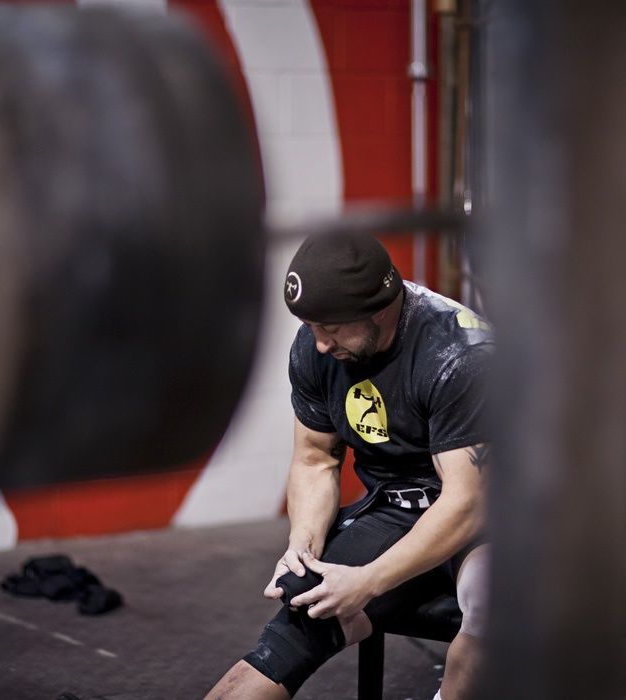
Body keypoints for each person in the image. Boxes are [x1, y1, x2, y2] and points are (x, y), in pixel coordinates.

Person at [204, 232, 491, 700]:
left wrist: (368, 581)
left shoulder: (459, 356)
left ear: (379, 309)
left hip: (492, 512)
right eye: (311, 326)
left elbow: (466, 504)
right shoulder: (315, 348)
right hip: (398, 505)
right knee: (304, 608)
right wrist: (303, 544)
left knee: (490, 606)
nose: (319, 344)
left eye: (331, 329)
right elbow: (315, 460)